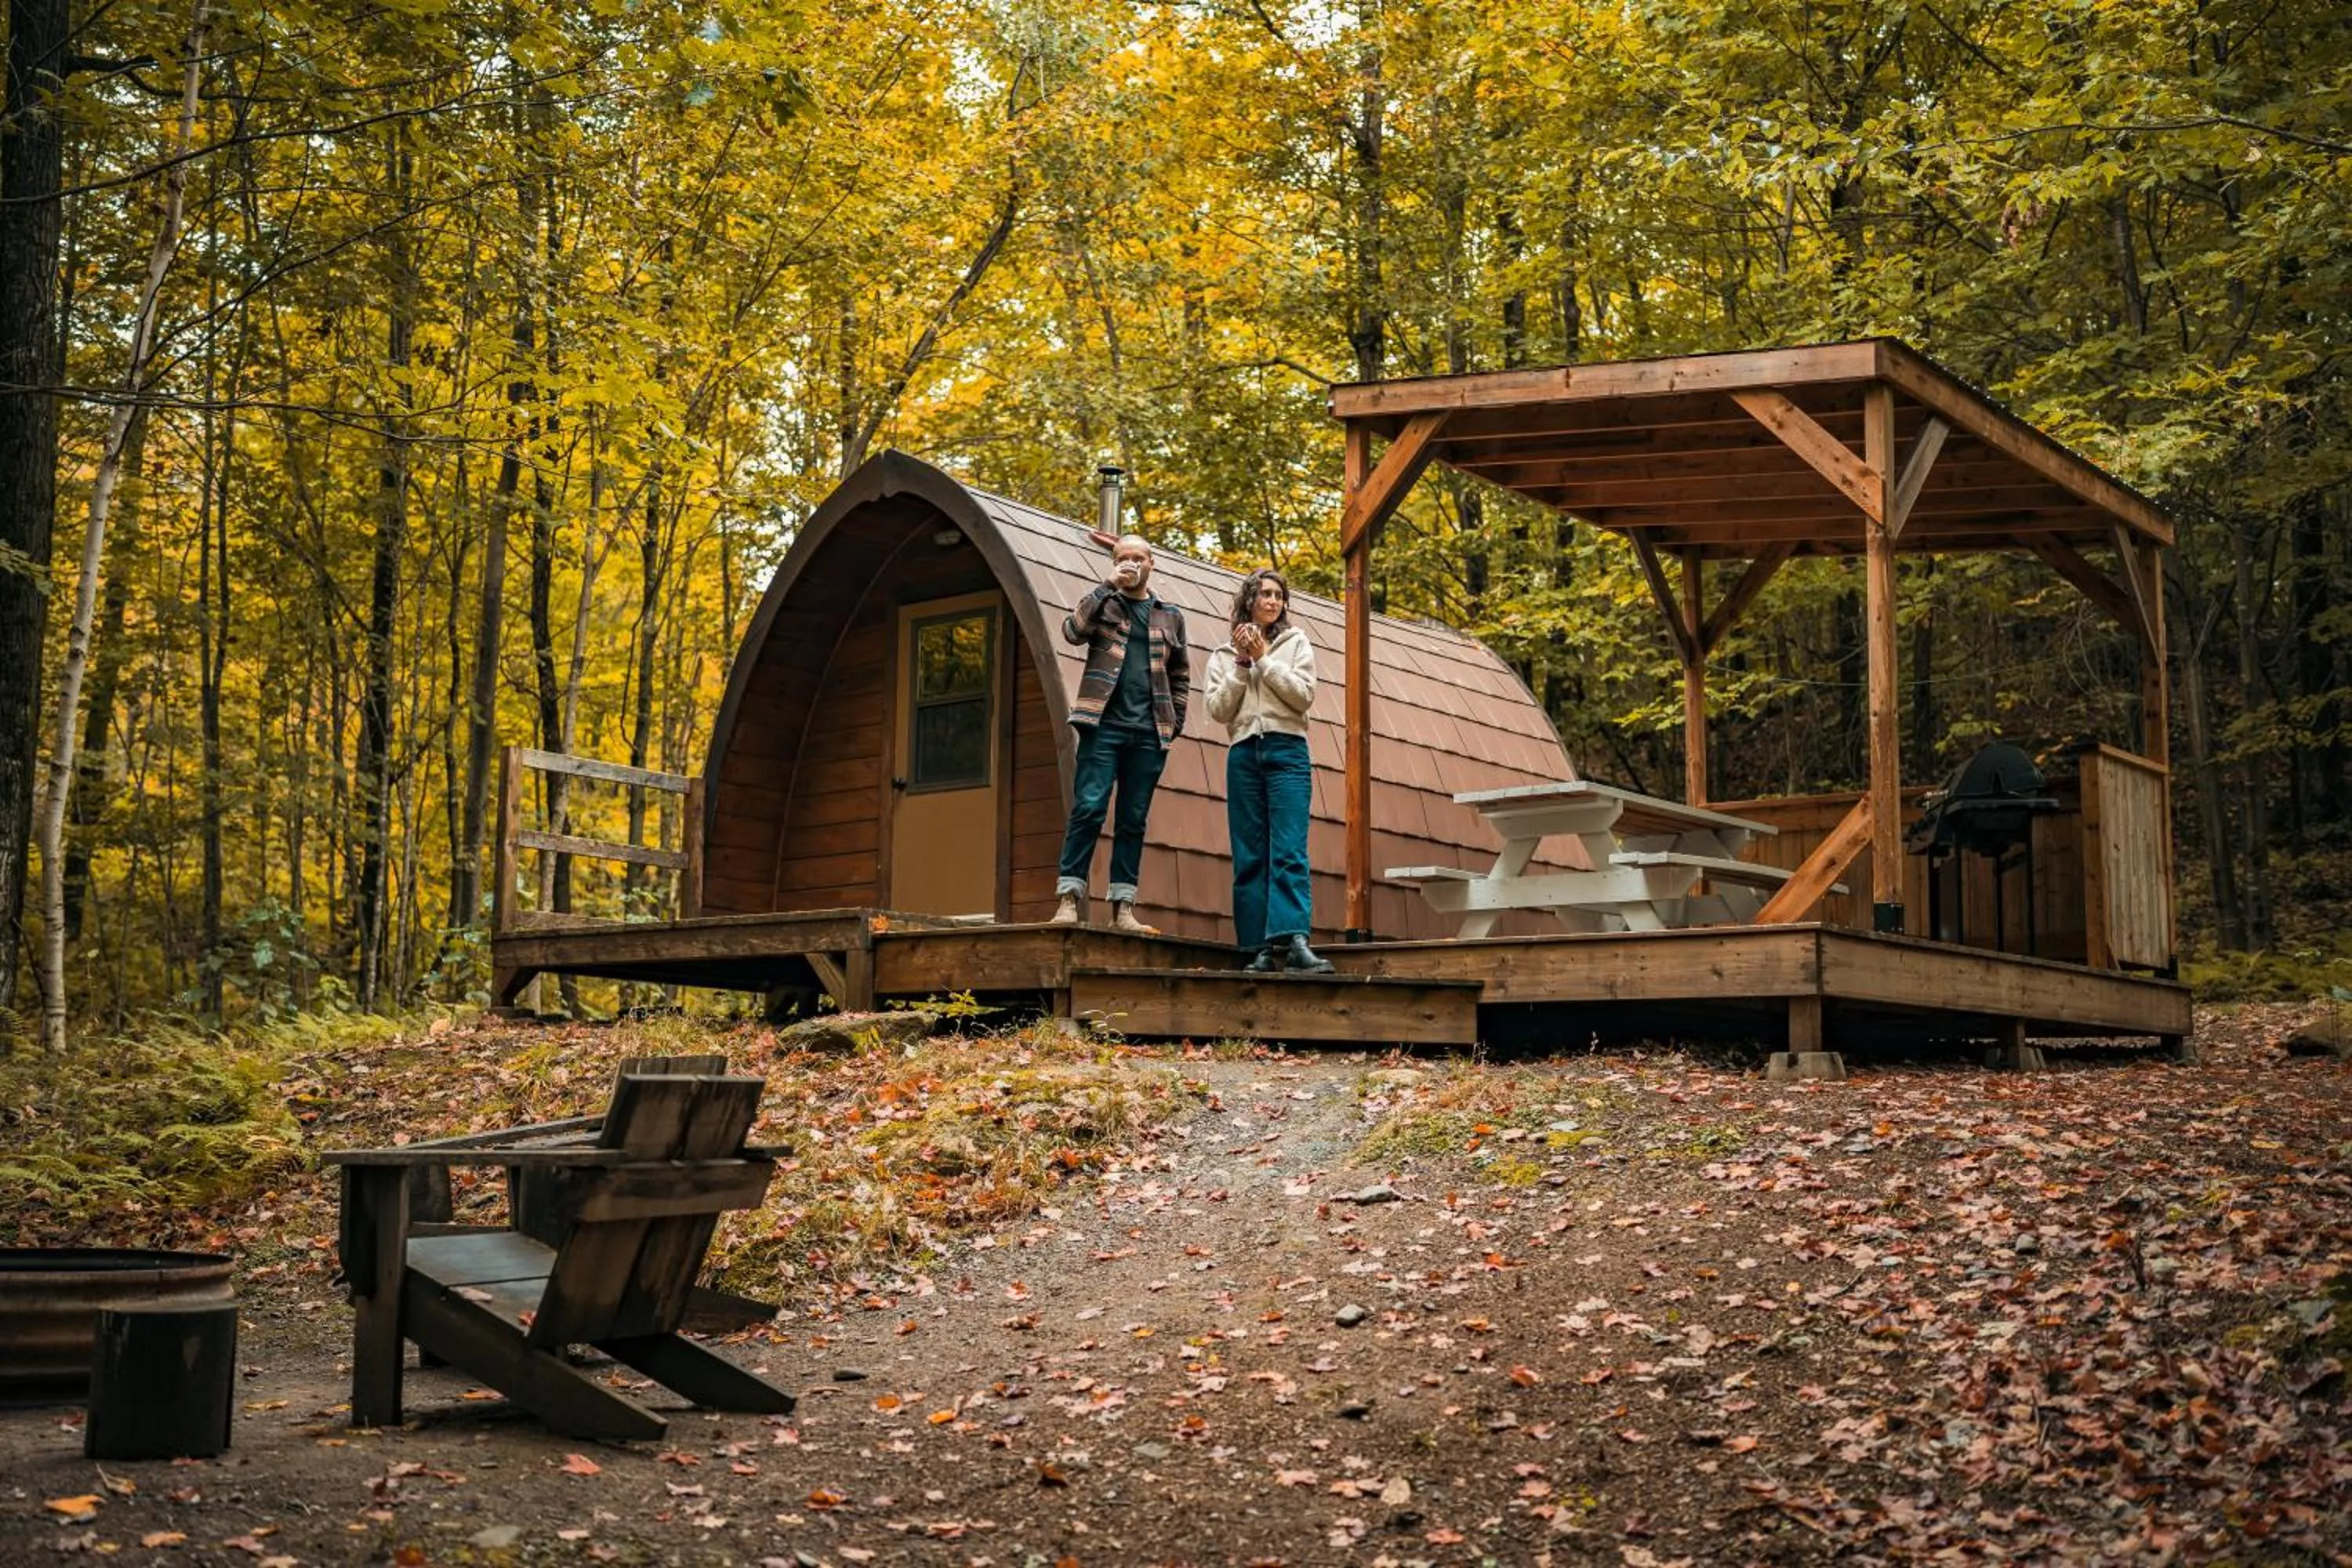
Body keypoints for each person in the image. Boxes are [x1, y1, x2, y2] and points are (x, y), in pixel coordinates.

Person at [1049, 534, 1190, 932]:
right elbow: (1072, 631)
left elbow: (1180, 674)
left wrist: (1174, 722)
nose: (1131, 564)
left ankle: (1123, 908)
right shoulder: (1103, 603)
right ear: (1115, 562)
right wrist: (1107, 584)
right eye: (1123, 558)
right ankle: (1069, 899)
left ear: (1152, 563)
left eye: (1138, 558)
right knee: (1089, 808)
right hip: (1104, 726)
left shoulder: (1171, 615)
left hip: (1149, 733)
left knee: (1133, 818)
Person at [1203, 568, 1331, 973]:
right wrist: (1243, 664)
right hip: (1243, 754)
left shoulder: (1296, 644)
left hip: (1287, 750)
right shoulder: (1223, 656)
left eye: (1279, 595)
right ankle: (1257, 948)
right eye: (1265, 594)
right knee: (1250, 854)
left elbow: (1303, 697)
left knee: (1289, 849)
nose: (1273, 601)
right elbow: (1218, 710)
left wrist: (1263, 659)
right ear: (1249, 601)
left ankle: (1294, 941)